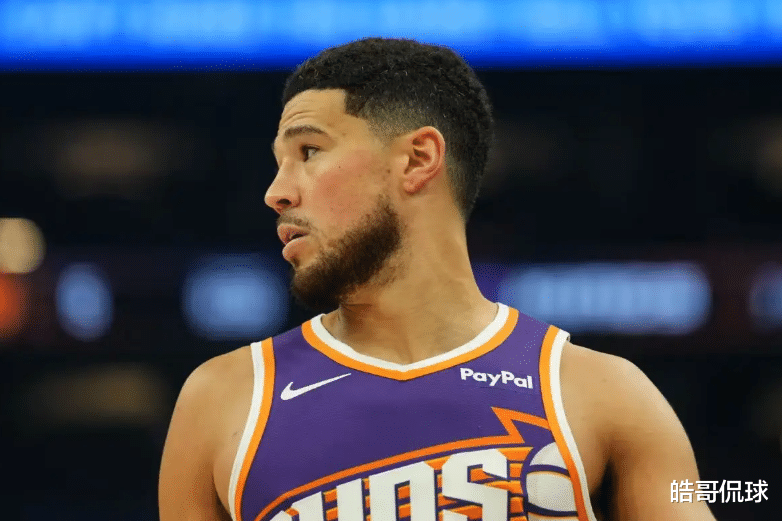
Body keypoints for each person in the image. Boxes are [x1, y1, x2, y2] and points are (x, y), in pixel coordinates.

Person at [159, 38, 717, 521]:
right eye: (279, 162)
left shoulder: (604, 393)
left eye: (308, 152)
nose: (276, 192)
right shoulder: (222, 400)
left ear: (417, 159)